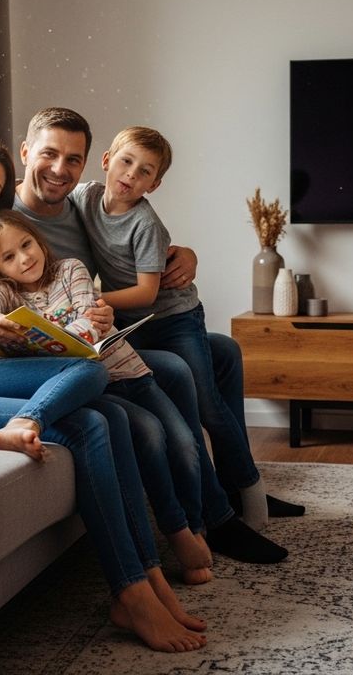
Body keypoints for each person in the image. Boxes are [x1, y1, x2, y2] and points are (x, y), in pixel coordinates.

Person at [0, 108, 301, 558]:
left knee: (223, 351)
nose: (59, 169)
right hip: (36, 351)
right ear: (26, 153)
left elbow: (134, 227)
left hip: (100, 328)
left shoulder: (83, 201)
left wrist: (185, 254)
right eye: (49, 154)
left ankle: (239, 485)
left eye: (73, 160)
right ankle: (213, 515)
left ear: (91, 164)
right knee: (173, 370)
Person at [0, 137, 206, 652]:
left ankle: (143, 580)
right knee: (90, 377)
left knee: (104, 419)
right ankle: (133, 585)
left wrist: (178, 252)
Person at [0, 208, 214, 583]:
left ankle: (194, 528)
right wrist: (1, 329)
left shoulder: (69, 269)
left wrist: (49, 336)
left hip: (132, 375)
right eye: (9, 257)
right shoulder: (3, 293)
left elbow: (85, 318)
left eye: (26, 244)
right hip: (99, 387)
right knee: (148, 434)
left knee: (183, 441)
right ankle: (174, 529)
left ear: (37, 239)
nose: (25, 258)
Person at [69, 125, 288, 533]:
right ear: (105, 161)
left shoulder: (145, 224)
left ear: (155, 184)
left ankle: (252, 491)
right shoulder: (85, 197)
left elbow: (148, 293)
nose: (131, 174)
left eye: (145, 171)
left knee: (207, 404)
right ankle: (216, 495)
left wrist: (92, 302)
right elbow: (25, 189)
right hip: (133, 325)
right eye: (126, 161)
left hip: (175, 319)